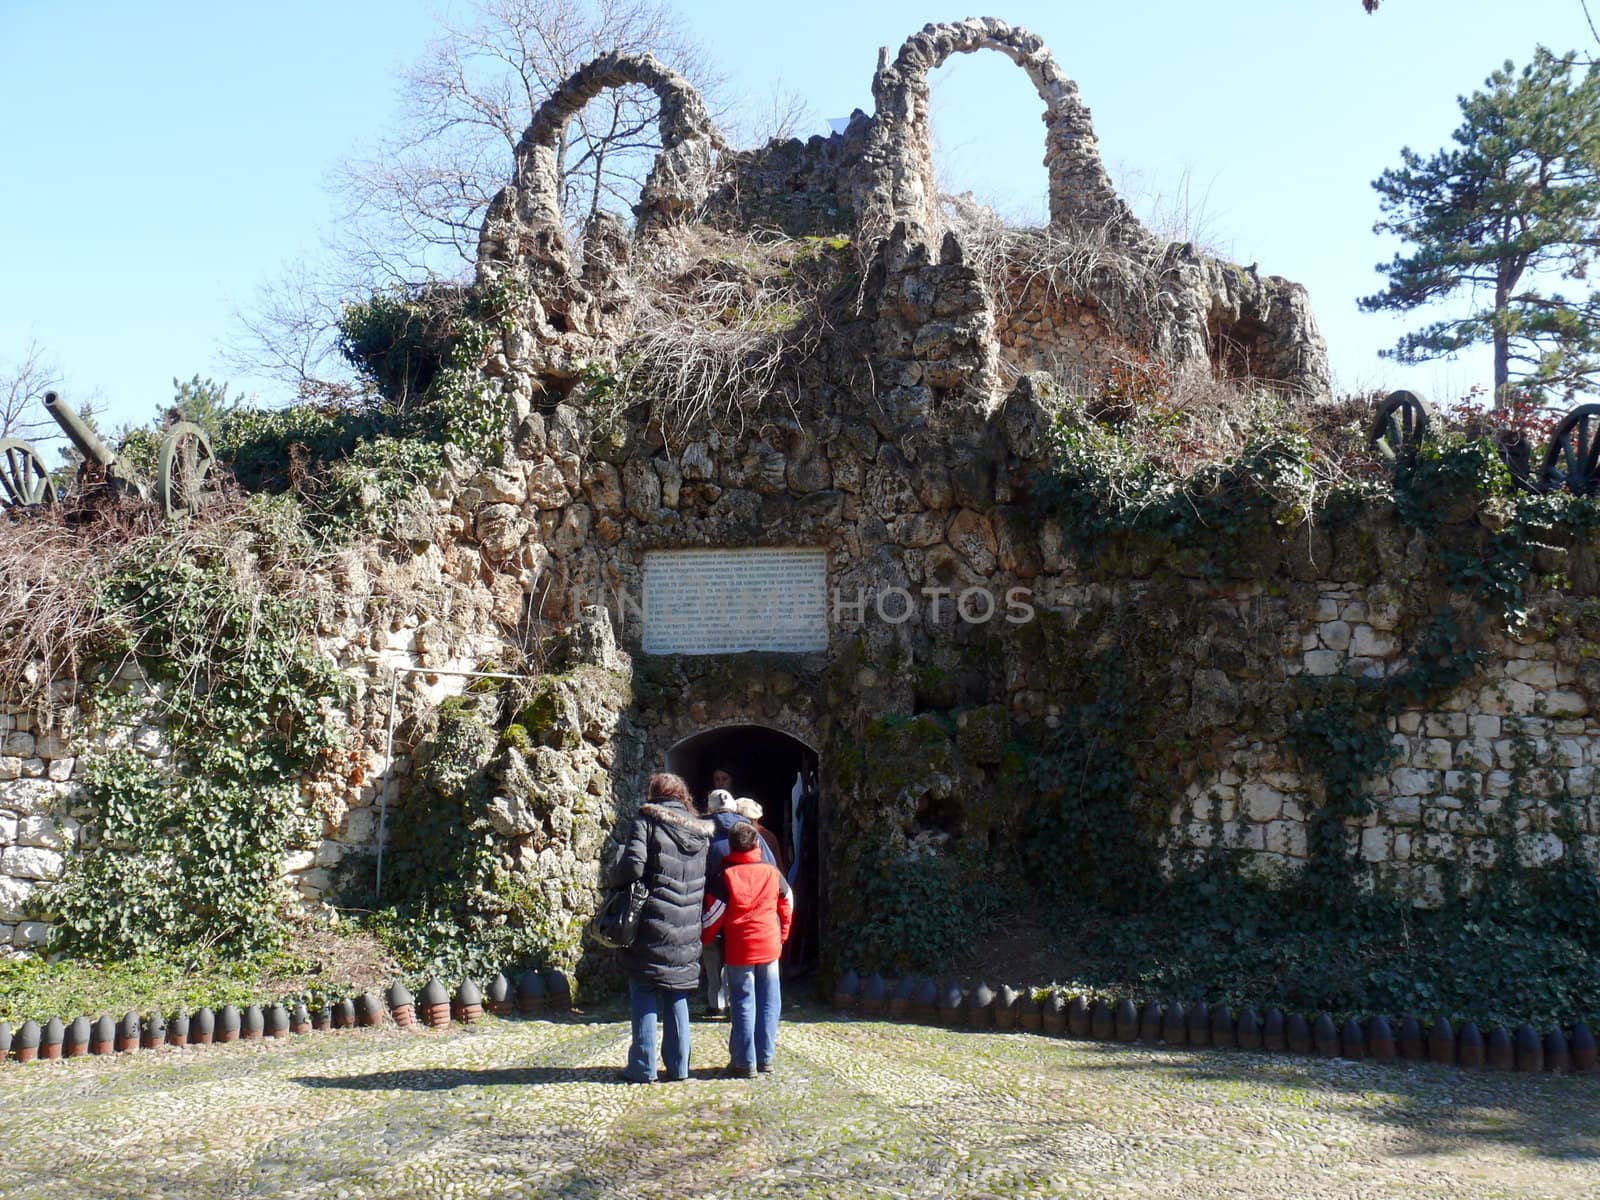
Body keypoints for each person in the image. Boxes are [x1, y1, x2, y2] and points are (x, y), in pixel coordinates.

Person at [602, 772, 714, 1084]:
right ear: (683, 797)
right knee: (677, 994)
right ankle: (679, 1067)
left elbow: (633, 865)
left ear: (655, 794)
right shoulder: (701, 833)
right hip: (688, 924)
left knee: (644, 989)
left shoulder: (646, 821)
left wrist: (615, 876)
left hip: (651, 920)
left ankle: (643, 1065)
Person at [702, 821, 792, 1077]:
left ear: (731, 846)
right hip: (770, 943)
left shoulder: (725, 875)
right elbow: (786, 903)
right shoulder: (771, 872)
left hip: (740, 947)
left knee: (743, 1001)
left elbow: (713, 914)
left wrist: (704, 938)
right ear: (756, 844)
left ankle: (744, 1061)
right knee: (770, 1001)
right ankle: (766, 1058)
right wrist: (783, 934)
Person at [701, 790, 782, 1018]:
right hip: (749, 911)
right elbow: (773, 870)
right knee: (743, 964)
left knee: (712, 952)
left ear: (709, 809)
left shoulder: (701, 833)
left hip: (713, 904)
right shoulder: (752, 834)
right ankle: (740, 1007)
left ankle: (716, 1002)